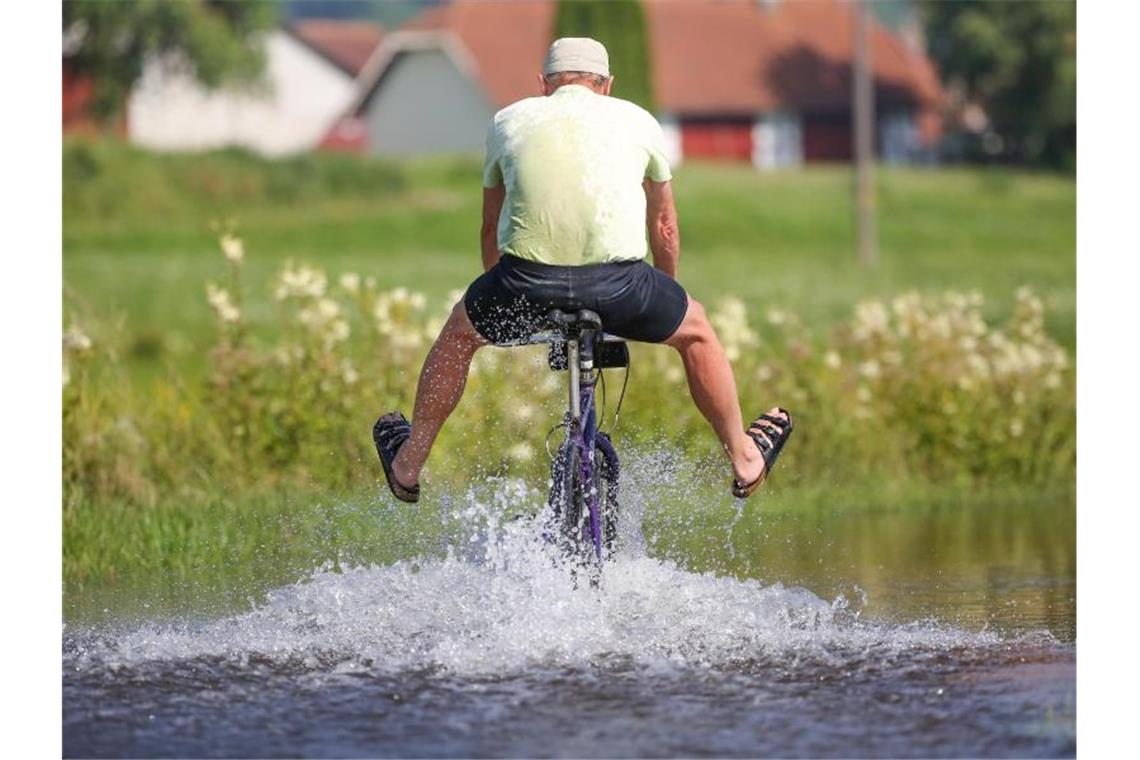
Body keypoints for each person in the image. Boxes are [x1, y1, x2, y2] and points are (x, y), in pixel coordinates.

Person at [373, 37, 793, 504]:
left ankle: (408, 467)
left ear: (544, 85)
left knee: (458, 333)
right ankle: (744, 459)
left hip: (524, 283)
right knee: (697, 331)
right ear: (606, 85)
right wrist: (663, 299)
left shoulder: (509, 121)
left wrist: (502, 304)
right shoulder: (638, 120)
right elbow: (665, 227)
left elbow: (491, 226)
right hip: (623, 287)